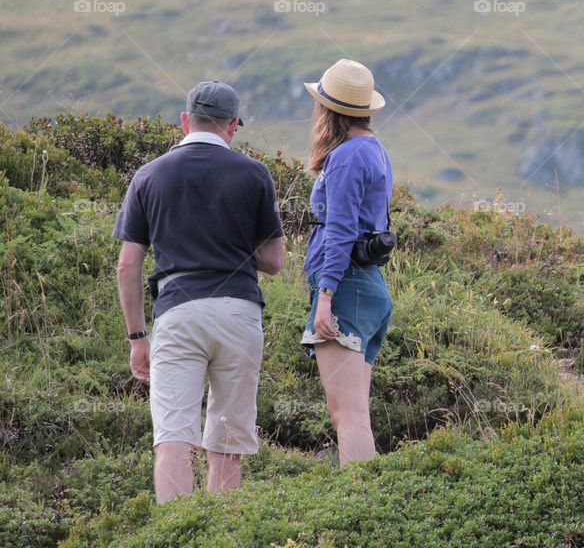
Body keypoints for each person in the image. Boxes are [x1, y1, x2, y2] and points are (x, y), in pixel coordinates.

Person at [114, 80, 285, 503]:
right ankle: (221, 534)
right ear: (233, 126)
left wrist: (138, 337)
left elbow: (127, 265)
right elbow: (275, 262)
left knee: (173, 435)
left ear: (185, 120)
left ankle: (176, 532)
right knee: (227, 438)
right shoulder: (254, 173)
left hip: (177, 313)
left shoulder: (149, 175)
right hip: (239, 314)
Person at [300, 59, 394, 466]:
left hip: (346, 288)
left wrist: (325, 296)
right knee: (355, 412)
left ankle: (359, 510)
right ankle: (365, 504)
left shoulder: (347, 157)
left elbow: (340, 232)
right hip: (367, 286)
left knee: (347, 414)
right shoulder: (373, 150)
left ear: (328, 110)